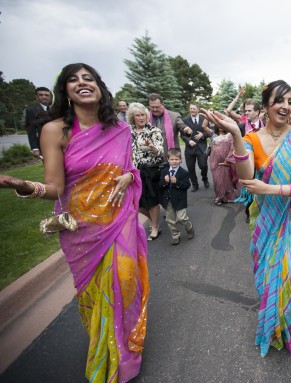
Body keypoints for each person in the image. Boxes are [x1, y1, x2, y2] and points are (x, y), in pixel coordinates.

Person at [0, 63, 149, 382]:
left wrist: (128, 175)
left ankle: (124, 353)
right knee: (94, 295)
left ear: (100, 87)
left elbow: (129, 167)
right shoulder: (54, 130)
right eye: (73, 79)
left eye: (88, 78)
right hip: (80, 225)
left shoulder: (120, 129)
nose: (82, 83)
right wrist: (25, 186)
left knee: (124, 277)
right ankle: (105, 342)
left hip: (118, 215)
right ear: (65, 91)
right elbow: (54, 186)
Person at [201, 80, 291, 357]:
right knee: (269, 277)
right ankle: (274, 323)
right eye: (279, 100)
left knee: (290, 276)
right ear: (266, 105)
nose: (285, 106)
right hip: (266, 220)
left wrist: (270, 189)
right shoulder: (251, 139)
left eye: (290, 100)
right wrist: (235, 134)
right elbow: (245, 177)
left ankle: (290, 328)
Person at [129, 102, 165, 241]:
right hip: (134, 172)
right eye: (137, 115)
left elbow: (160, 153)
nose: (141, 118)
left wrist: (151, 146)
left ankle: (155, 227)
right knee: (137, 203)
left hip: (150, 171)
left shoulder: (153, 131)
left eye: (143, 115)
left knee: (152, 200)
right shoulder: (128, 132)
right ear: (132, 117)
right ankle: (153, 221)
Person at [159, 148, 195, 245]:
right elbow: (160, 185)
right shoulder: (164, 171)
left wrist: (177, 182)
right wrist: (164, 182)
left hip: (180, 200)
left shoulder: (184, 173)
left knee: (181, 218)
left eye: (176, 159)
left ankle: (189, 228)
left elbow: (187, 185)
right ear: (168, 160)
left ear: (180, 160)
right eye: (172, 159)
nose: (174, 161)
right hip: (168, 200)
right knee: (170, 220)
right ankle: (175, 236)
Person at [148, 93, 192, 158]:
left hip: (170, 157)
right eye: (152, 107)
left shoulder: (174, 116)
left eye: (157, 107)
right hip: (151, 158)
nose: (154, 109)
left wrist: (187, 130)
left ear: (162, 105)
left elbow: (182, 126)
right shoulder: (145, 117)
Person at [182, 103, 211, 191]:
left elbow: (209, 132)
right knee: (190, 168)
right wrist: (188, 141)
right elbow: (182, 135)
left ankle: (205, 179)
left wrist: (202, 134)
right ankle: (195, 185)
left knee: (203, 165)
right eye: (191, 108)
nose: (192, 110)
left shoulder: (204, 119)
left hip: (201, 147)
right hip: (189, 148)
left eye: (194, 108)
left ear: (198, 109)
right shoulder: (185, 120)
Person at [208, 125, 238, 205]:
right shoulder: (213, 135)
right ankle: (219, 198)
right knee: (217, 180)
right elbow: (210, 148)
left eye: (222, 125)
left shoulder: (230, 135)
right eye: (218, 125)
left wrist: (227, 160)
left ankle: (228, 198)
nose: (220, 127)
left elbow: (232, 148)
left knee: (227, 180)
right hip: (214, 162)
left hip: (226, 162)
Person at [24, 86, 52, 158]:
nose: (44, 97)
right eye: (41, 95)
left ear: (50, 96)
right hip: (44, 144)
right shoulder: (31, 111)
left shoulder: (56, 108)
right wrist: (35, 148)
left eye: (46, 95)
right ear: (37, 97)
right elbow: (31, 131)